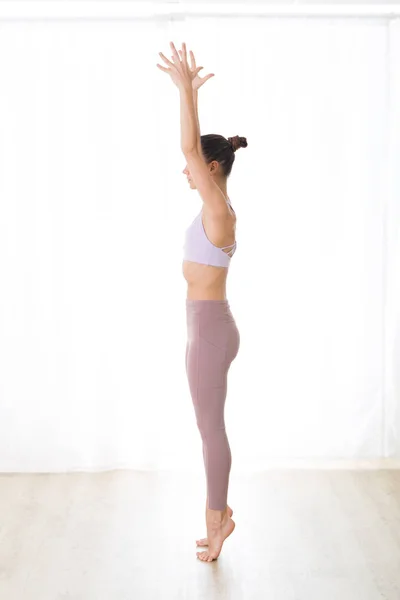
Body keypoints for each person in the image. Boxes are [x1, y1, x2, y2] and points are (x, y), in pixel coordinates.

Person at [157, 41, 247, 562]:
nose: (186, 172)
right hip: (208, 326)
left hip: (210, 330)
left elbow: (189, 151)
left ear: (212, 167)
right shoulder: (213, 209)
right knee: (207, 427)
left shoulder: (220, 209)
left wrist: (187, 92)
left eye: (194, 167)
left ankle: (219, 521)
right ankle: (215, 517)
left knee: (211, 430)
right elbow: (191, 154)